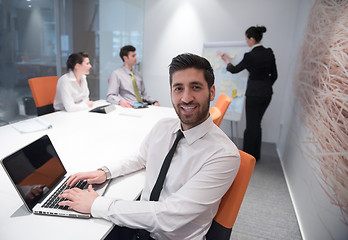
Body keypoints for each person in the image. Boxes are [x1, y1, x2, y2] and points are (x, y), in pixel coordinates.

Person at [58, 53, 240, 240]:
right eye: (178, 88)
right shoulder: (164, 127)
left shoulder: (223, 154)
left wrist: (97, 204)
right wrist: (105, 172)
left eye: (195, 87)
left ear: (211, 92)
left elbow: (169, 217)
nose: (186, 98)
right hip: (137, 225)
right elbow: (141, 158)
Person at [221, 25, 278, 161]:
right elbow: (274, 75)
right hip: (267, 94)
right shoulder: (269, 52)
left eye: (247, 39)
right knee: (257, 123)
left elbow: (234, 70)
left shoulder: (250, 56)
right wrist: (265, 86)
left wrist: (227, 61)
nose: (246, 42)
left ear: (252, 38)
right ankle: (255, 155)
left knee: (251, 125)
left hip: (253, 94)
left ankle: (247, 156)